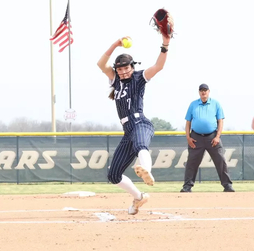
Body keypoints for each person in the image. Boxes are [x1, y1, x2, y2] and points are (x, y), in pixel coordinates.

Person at [97, 33, 171, 214]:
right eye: (120, 69)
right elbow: (101, 64)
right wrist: (116, 43)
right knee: (113, 175)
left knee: (140, 144)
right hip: (127, 129)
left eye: (126, 68)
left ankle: (146, 169)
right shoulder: (115, 81)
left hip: (140, 122)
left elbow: (159, 66)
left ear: (132, 66)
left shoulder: (139, 78)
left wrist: (165, 44)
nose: (123, 71)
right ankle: (139, 198)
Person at [180, 84, 235, 193]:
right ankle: (187, 187)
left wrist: (217, 136)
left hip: (212, 137)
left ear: (209, 91)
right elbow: (188, 122)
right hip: (196, 138)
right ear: (199, 92)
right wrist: (188, 137)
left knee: (220, 161)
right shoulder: (193, 104)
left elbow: (220, 121)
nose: (203, 92)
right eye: (201, 90)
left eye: (205, 90)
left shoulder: (215, 104)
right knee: (192, 162)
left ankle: (227, 186)